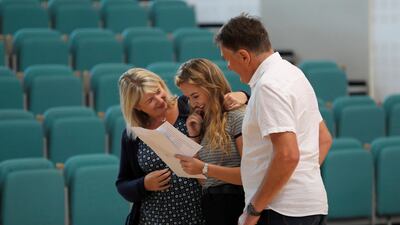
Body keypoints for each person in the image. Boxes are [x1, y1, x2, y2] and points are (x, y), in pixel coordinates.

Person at [215, 14, 333, 225]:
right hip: (305, 205)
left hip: (280, 210)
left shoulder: (269, 85)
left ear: (244, 56)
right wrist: (298, 180)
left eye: (227, 58)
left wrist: (253, 210)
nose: (229, 66)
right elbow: (324, 138)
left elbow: (287, 155)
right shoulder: (294, 73)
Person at [115, 68, 248, 225]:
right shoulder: (133, 134)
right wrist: (143, 184)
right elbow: (123, 183)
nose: (159, 100)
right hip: (153, 219)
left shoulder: (190, 104)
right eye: (150, 100)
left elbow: (221, 100)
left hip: (202, 214)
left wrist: (244, 95)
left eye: (159, 91)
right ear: (137, 107)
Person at [174, 58, 245, 225]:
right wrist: (193, 136)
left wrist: (204, 168)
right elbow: (206, 181)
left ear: (212, 86)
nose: (193, 103)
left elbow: (250, 175)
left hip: (237, 203)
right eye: (188, 98)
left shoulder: (237, 116)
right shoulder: (206, 122)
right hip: (214, 206)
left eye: (195, 96)